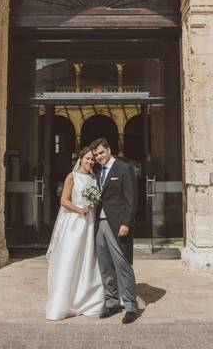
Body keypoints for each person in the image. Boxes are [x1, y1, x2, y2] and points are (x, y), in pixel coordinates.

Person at [44, 147, 104, 320]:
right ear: (80, 158)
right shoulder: (72, 177)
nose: (90, 162)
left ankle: (89, 296)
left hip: (91, 222)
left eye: (92, 159)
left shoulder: (94, 178)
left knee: (89, 257)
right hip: (75, 223)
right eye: (87, 158)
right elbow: (63, 201)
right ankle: (66, 299)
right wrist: (79, 210)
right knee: (72, 257)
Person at [91, 138, 140, 324]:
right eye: (96, 155)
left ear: (109, 150)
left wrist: (126, 223)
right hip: (100, 224)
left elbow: (132, 199)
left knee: (123, 265)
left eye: (101, 153)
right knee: (105, 265)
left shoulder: (124, 168)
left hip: (118, 224)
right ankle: (112, 303)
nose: (99, 157)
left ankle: (130, 306)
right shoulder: (97, 171)